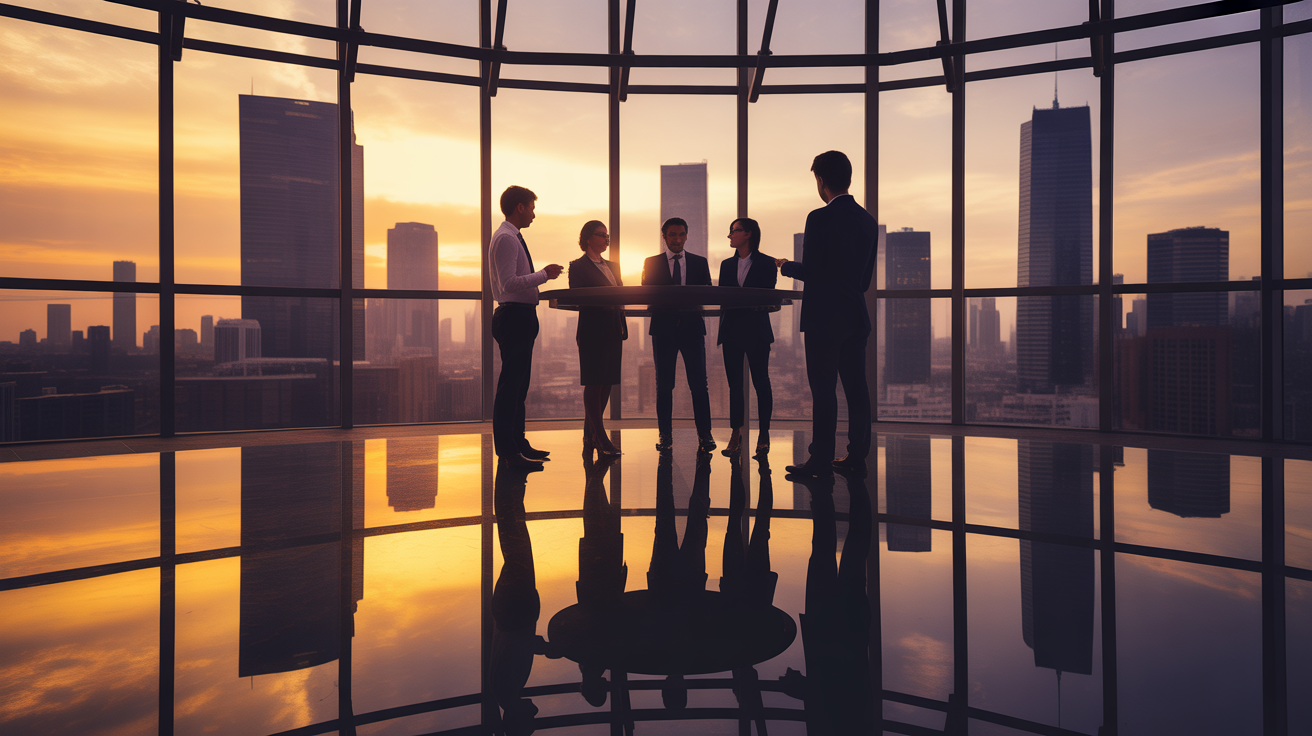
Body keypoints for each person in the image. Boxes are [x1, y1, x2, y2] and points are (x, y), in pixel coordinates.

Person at [776, 151, 878, 477]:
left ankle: (820, 460)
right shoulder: (868, 221)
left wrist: (786, 266)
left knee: (824, 391)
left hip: (824, 319)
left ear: (820, 180)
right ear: (848, 177)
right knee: (857, 390)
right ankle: (857, 456)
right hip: (856, 316)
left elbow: (813, 271)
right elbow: (864, 280)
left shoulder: (818, 217)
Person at [489, 185, 563, 469]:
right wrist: (544, 275)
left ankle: (518, 444)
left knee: (519, 387)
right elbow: (509, 283)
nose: (534, 213)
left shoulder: (510, 237)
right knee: (511, 388)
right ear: (519, 207)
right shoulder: (506, 239)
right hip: (514, 317)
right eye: (532, 207)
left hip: (519, 316)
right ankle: (509, 452)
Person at [641, 217, 715, 453]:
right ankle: (665, 436)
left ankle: (705, 436)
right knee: (664, 385)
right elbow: (647, 294)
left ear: (686, 236)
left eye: (681, 234)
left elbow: (707, 293)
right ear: (664, 236)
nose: (677, 239)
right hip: (664, 330)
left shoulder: (700, 262)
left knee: (699, 385)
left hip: (692, 329)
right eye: (672, 234)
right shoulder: (651, 263)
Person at [716, 217, 777, 457]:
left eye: (735, 231)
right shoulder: (726, 265)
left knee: (761, 382)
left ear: (748, 233)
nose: (730, 235)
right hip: (731, 331)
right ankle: (736, 433)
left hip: (757, 331)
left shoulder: (767, 263)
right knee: (734, 385)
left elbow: (766, 295)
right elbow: (724, 298)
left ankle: (764, 434)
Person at [568, 220, 626, 456]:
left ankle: (590, 434)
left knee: (608, 380)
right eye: (602, 235)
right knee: (594, 381)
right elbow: (577, 297)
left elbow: (621, 294)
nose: (606, 239)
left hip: (613, 328)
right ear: (588, 238)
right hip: (592, 329)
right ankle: (600, 437)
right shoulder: (577, 266)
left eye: (607, 235)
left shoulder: (613, 266)